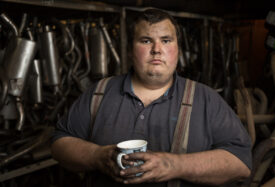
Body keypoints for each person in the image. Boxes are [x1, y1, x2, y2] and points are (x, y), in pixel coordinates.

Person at [51, 8, 252, 187]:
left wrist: (174, 165)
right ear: (131, 50)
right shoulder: (100, 92)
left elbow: (241, 163)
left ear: (177, 50)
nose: (156, 49)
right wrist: (97, 157)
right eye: (146, 40)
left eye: (166, 40)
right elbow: (60, 143)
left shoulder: (205, 99)